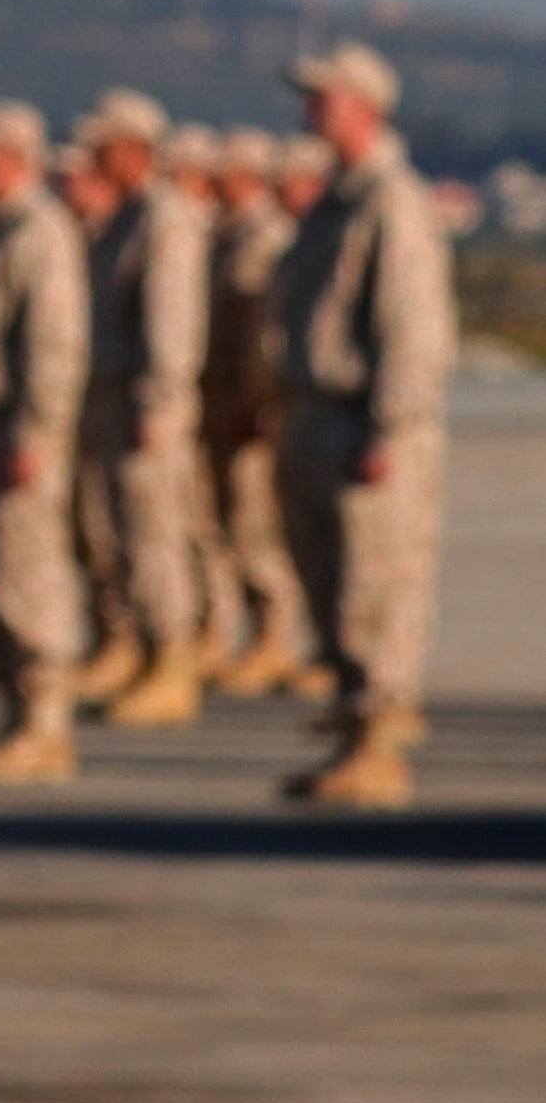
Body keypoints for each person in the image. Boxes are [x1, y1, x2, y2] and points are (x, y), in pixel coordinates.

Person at [271, 44, 460, 810]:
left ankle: (380, 745)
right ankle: (354, 734)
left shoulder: (391, 201)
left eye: (324, 97)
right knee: (330, 586)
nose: (310, 110)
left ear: (364, 105)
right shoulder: (337, 201)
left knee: (374, 587)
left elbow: (412, 329)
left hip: (366, 423)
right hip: (320, 416)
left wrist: (388, 426)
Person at [0, 104, 96, 784]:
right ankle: (19, 716)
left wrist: (34, 430)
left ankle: (45, 724)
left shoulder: (38, 234)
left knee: (26, 572)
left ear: (10, 155)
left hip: (15, 428)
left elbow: (51, 345)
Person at [70, 91, 214, 727]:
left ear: (133, 149)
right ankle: (141, 649)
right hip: (112, 398)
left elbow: (170, 321)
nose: (93, 158)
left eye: (103, 147)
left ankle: (173, 664)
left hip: (144, 403)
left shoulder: (164, 217)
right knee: (121, 534)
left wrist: (158, 400)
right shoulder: (126, 217)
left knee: (156, 536)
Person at [201, 126, 317, 697]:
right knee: (237, 523)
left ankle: (277, 637)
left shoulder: (274, 240)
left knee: (262, 527)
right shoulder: (266, 239)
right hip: (240, 400)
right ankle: (255, 635)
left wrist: (264, 402)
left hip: (274, 407)